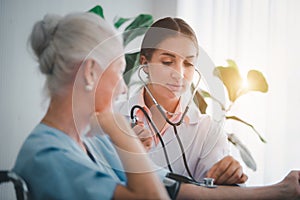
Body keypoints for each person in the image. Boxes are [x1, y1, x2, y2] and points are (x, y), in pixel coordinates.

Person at [12, 12, 300, 200]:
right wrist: (121, 130)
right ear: (90, 73)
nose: (124, 87)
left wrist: (279, 190)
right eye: (118, 70)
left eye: (189, 63)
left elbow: (178, 190)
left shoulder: (91, 144)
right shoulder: (46, 156)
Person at [115, 17, 247, 185]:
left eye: (188, 63)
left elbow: (215, 188)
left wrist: (229, 175)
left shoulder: (208, 132)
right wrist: (122, 156)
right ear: (145, 64)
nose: (179, 73)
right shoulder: (112, 119)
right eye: (167, 62)